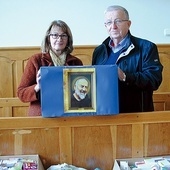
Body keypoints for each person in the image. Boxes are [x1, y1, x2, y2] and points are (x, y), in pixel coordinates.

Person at [92, 5, 163, 113]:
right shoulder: (99, 51)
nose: (113, 26)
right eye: (109, 22)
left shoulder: (146, 47)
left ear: (128, 24)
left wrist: (125, 76)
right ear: (105, 26)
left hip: (136, 114)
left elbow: (154, 80)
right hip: (105, 114)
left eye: (118, 21)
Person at [17, 20, 83, 116]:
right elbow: (21, 94)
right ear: (48, 38)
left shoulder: (76, 62)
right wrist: (37, 87)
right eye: (55, 35)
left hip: (68, 114)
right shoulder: (36, 60)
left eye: (63, 35)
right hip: (42, 115)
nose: (59, 39)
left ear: (68, 39)